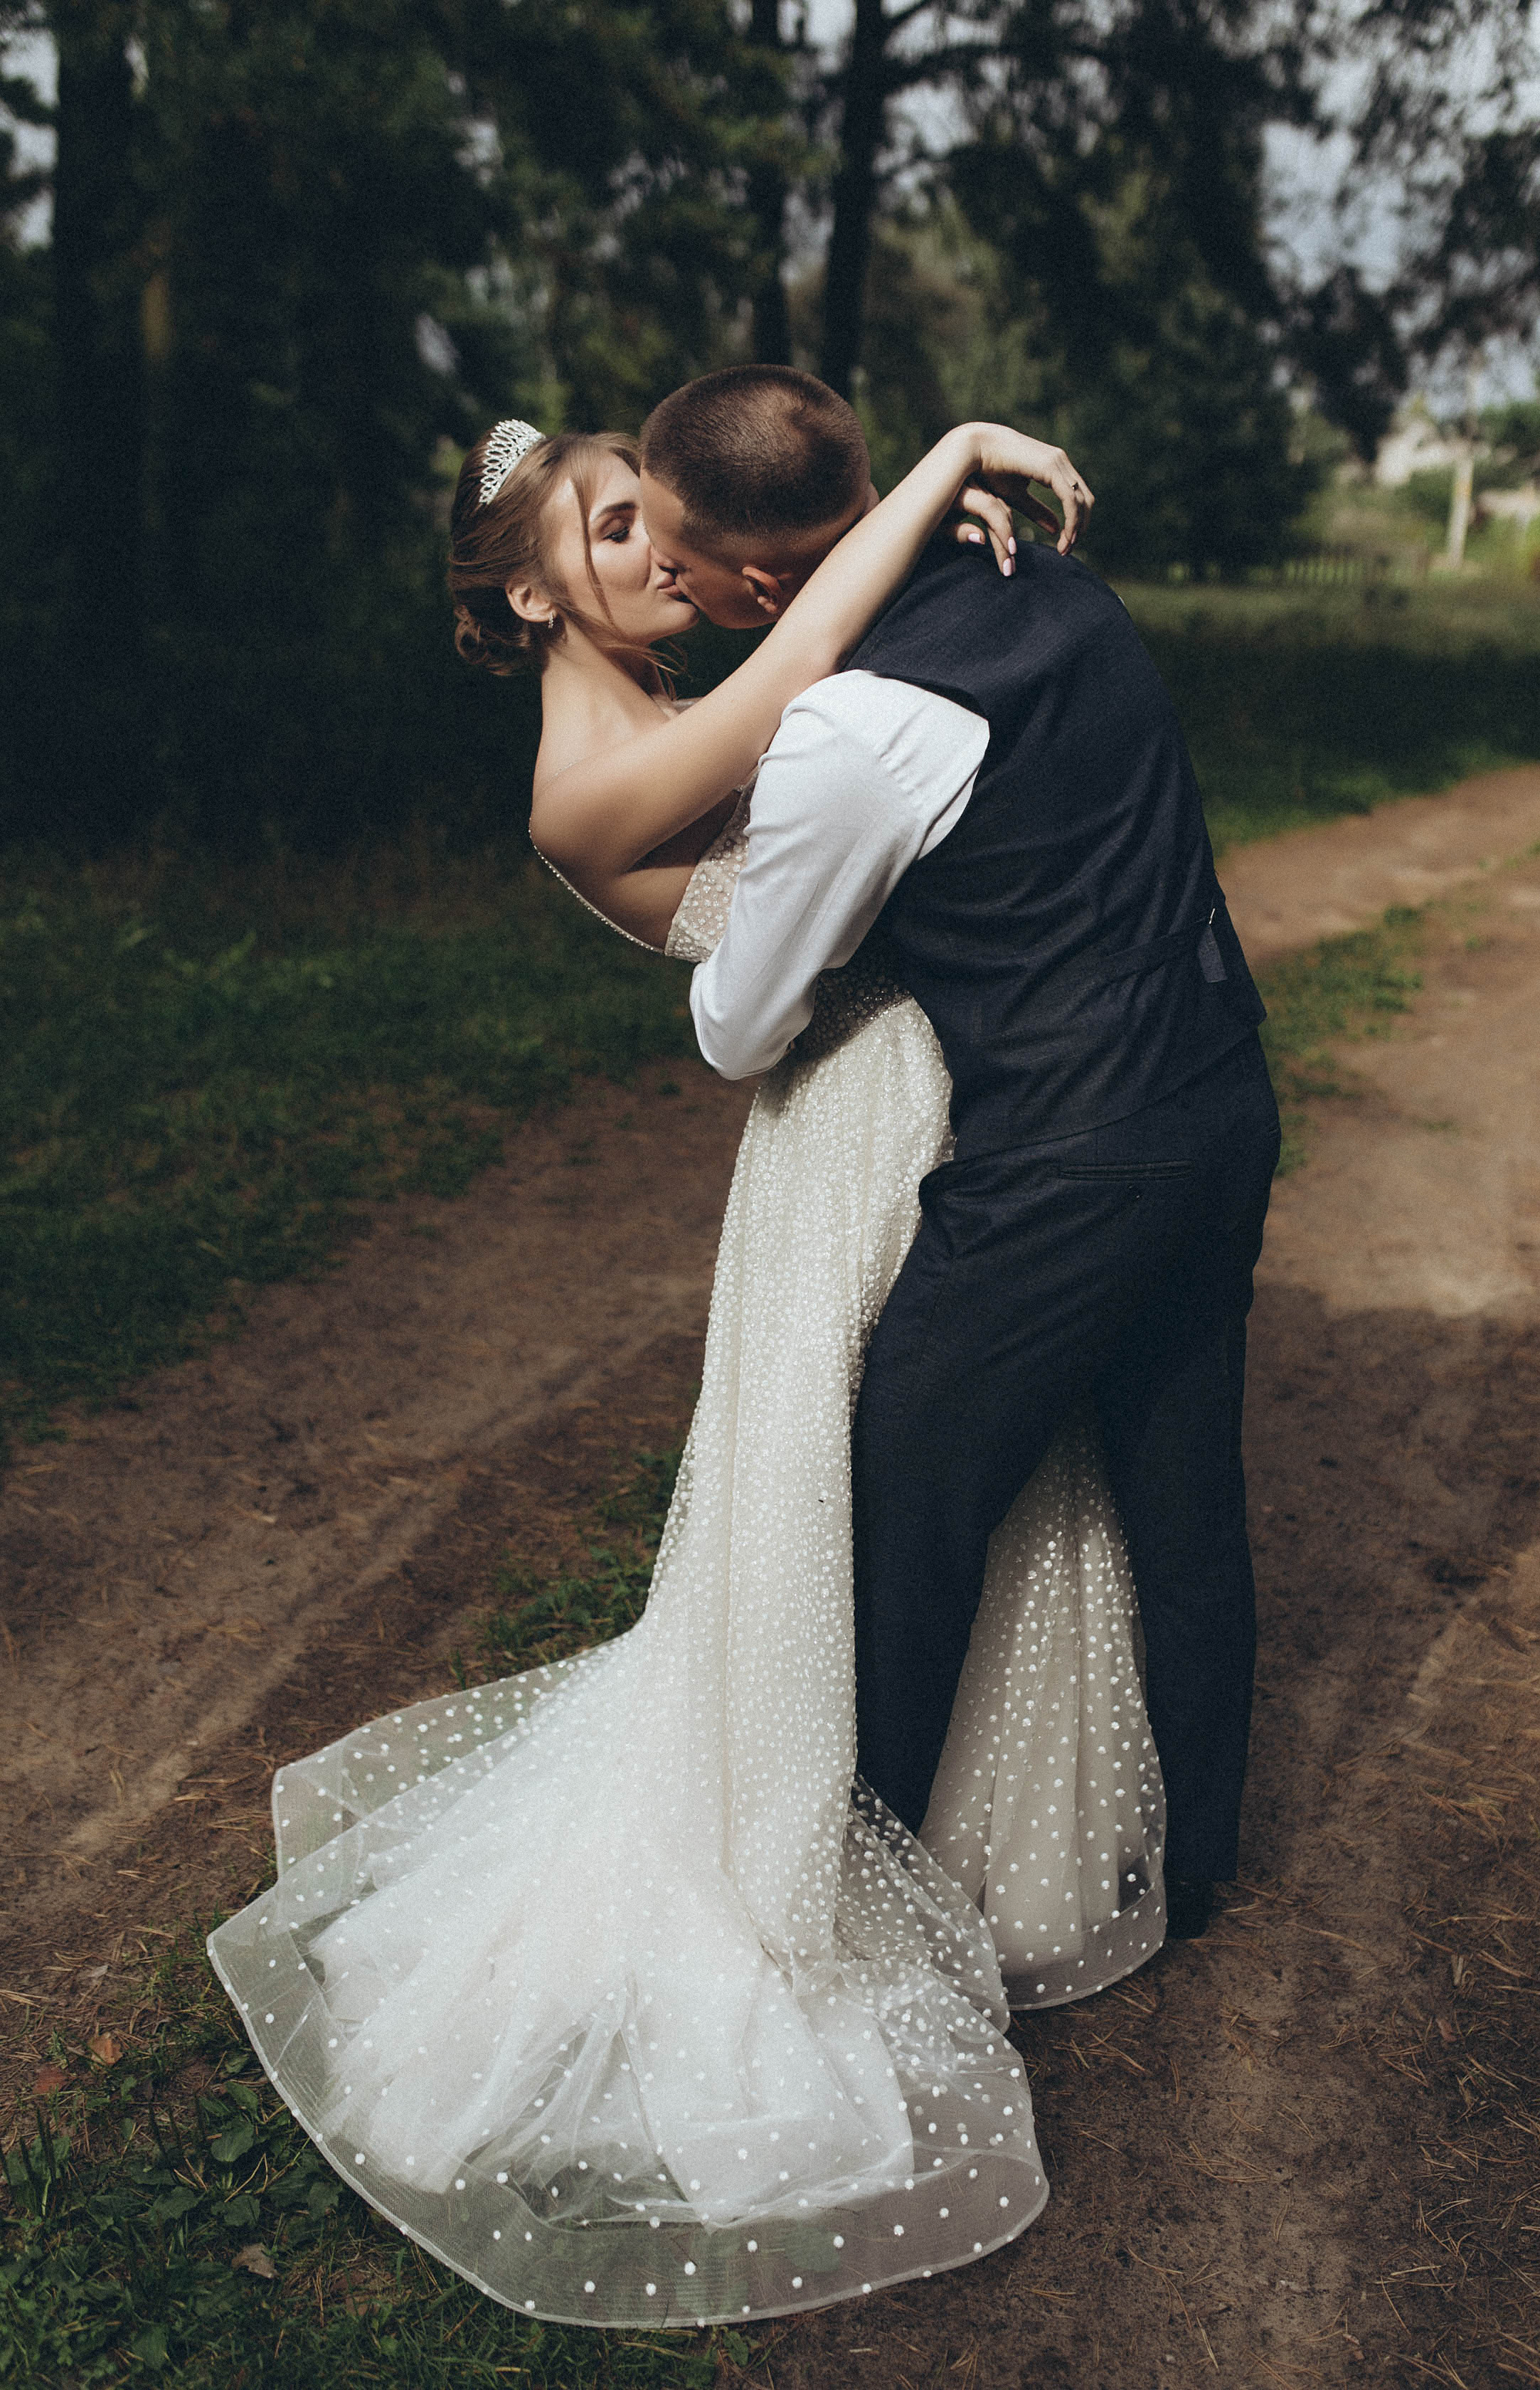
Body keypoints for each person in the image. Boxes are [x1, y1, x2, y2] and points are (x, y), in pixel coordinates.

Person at [208, 393, 1166, 2335]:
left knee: (954, 1469)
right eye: (616, 539)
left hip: (922, 1082)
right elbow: (810, 647)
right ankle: (806, 1861)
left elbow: (804, 610)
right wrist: (954, 449)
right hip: (844, 1124)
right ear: (532, 593)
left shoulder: (650, 691)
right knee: (849, 1485)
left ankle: (954, 1825)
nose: (662, 560)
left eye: (653, 520)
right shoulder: (582, 781)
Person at [638, 365, 1280, 1943]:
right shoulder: (1047, 578)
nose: (666, 577)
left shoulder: (854, 731)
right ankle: (1187, 1858)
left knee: (897, 1498)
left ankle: (851, 1905)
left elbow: (742, 1027)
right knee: (1185, 1491)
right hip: (1221, 1095)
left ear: (760, 580)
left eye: (679, 552)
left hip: (1064, 1161)